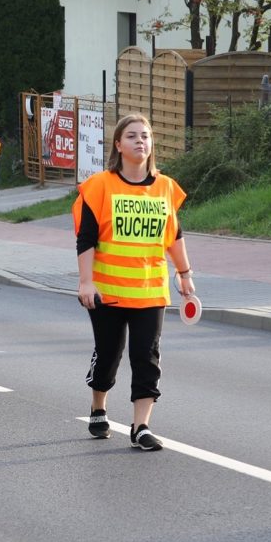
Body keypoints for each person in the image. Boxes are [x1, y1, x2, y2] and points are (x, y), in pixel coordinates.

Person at [74, 113, 194, 452]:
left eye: (145, 135)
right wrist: (86, 282)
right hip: (107, 292)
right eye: (132, 136)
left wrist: (185, 275)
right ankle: (99, 406)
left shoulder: (165, 187)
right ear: (118, 145)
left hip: (150, 291)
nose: (140, 140)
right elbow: (86, 238)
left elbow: (174, 235)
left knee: (147, 357)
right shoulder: (100, 186)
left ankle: (141, 426)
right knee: (108, 354)